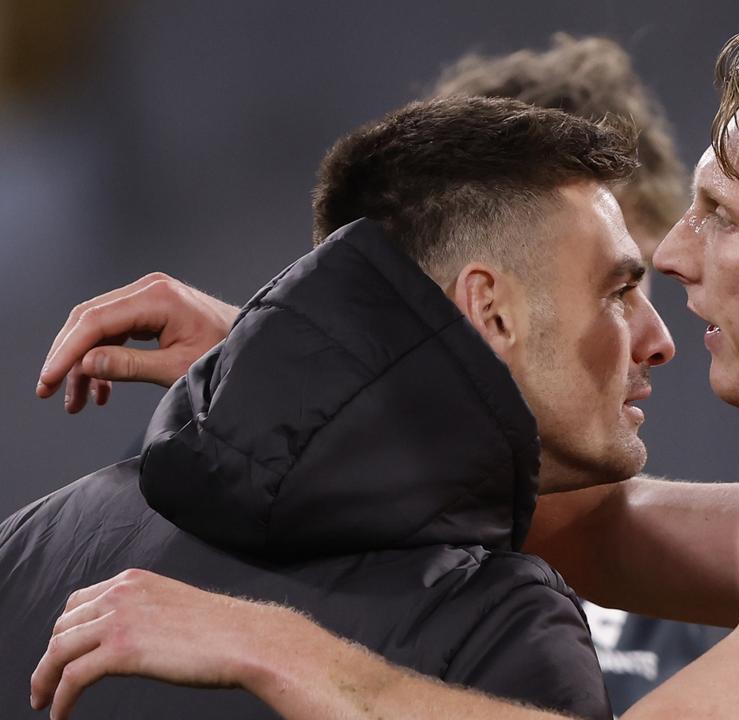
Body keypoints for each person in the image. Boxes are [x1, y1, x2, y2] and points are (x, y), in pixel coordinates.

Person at [30, 6, 739, 720]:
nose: (673, 253)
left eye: (721, 216)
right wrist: (277, 349)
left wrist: (281, 648)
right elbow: (592, 522)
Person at [4, 95, 675, 719]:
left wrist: (275, 356)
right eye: (617, 291)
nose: (658, 340)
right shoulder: (501, 633)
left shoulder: (40, 536)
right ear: (492, 311)